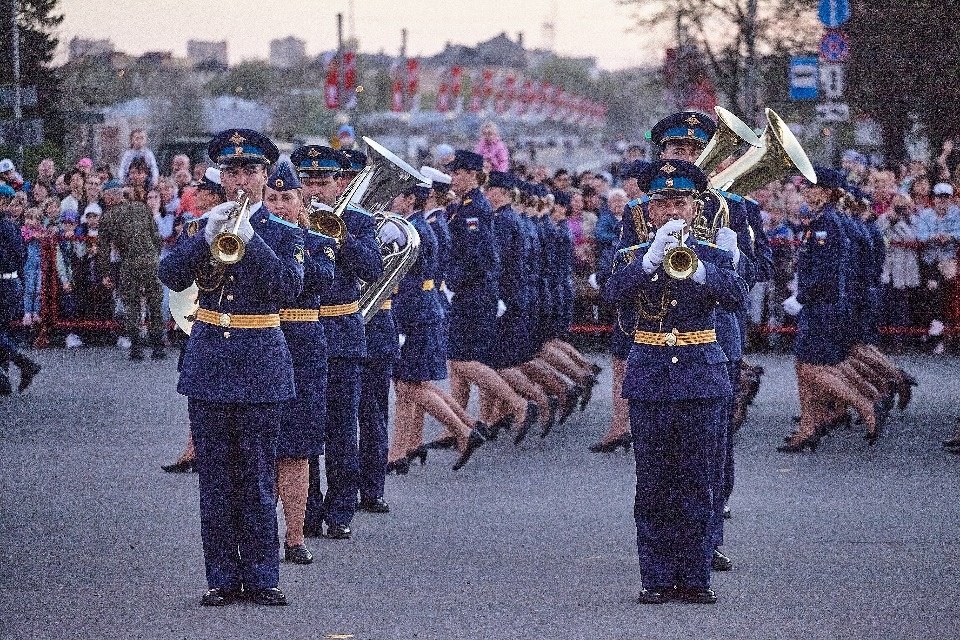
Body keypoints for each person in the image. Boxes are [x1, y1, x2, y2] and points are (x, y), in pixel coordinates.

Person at [158, 128, 303, 607]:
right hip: (210, 363)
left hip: (261, 362)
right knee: (216, 479)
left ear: (266, 177)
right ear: (221, 177)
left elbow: (288, 288)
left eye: (251, 171)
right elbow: (170, 274)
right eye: (233, 171)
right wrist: (205, 236)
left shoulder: (285, 232)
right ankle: (220, 576)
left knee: (259, 478)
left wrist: (251, 239)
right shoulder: (203, 225)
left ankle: (263, 577)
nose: (241, 180)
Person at [605, 159, 746, 605]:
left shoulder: (715, 254)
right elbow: (609, 296)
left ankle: (696, 575)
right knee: (652, 482)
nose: (670, 212)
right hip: (649, 373)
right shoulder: (631, 257)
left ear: (695, 208)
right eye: (661, 203)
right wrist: (649, 261)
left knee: (698, 479)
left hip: (701, 373)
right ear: (648, 212)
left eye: (679, 203)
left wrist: (702, 269)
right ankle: (657, 577)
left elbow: (738, 297)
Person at [290, 144, 384, 541]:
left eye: (322, 182)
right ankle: (307, 509)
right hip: (300, 331)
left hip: (343, 331)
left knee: (342, 427)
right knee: (304, 426)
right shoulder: (287, 220)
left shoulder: (358, 221)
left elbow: (373, 268)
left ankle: (341, 508)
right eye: (308, 182)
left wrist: (340, 239)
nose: (315, 189)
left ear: (338, 182)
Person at [264, 162, 336, 565]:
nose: (279, 206)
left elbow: (319, 281)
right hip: (265, 340)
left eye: (286, 198)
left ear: (299, 200)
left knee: (298, 446)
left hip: (305, 343)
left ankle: (294, 535)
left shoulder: (317, 238)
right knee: (263, 445)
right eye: (271, 199)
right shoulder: (252, 237)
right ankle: (261, 534)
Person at [97, 182, 165, 361]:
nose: (104, 199)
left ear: (111, 196)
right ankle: (158, 346)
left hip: (129, 262)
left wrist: (105, 273)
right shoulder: (142, 208)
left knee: (132, 304)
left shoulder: (108, 217)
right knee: (155, 303)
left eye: (105, 196)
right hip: (151, 260)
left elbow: (103, 250)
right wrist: (154, 257)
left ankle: (136, 347)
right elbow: (156, 237)